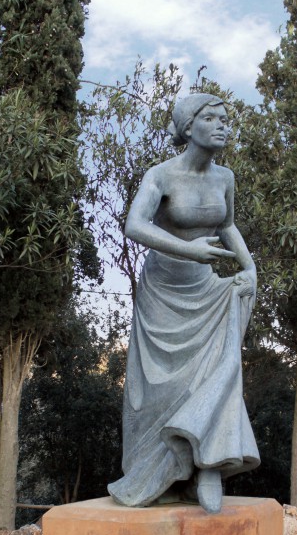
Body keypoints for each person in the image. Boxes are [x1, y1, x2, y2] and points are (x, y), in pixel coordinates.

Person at [108, 93, 260, 513]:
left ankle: (209, 465)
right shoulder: (162, 175)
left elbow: (228, 225)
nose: (222, 125)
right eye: (210, 118)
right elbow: (134, 225)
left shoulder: (224, 178)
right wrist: (190, 250)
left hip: (206, 289)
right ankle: (159, 476)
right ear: (188, 127)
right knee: (155, 394)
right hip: (162, 294)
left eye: (225, 118)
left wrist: (249, 269)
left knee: (222, 368)